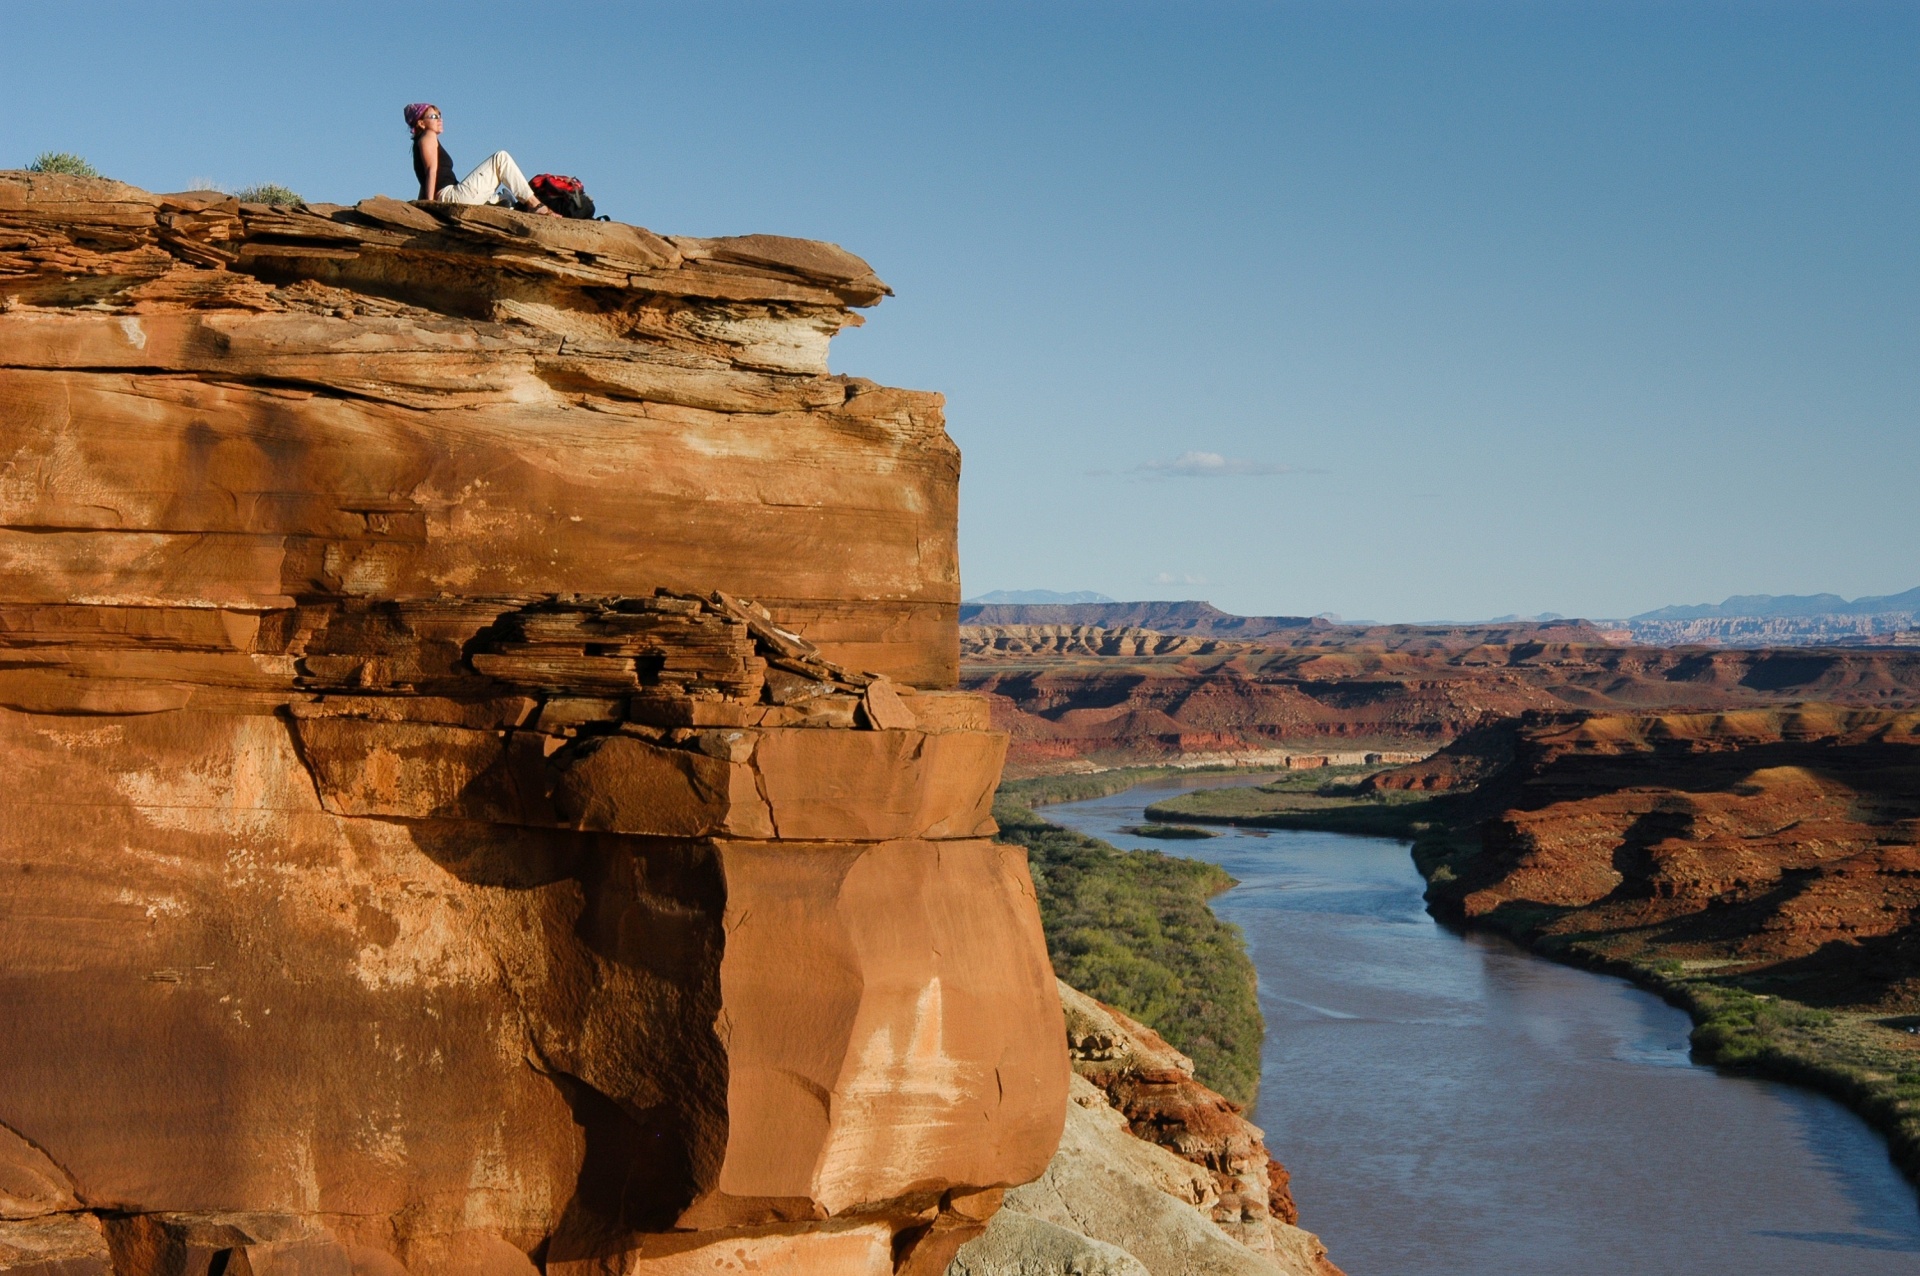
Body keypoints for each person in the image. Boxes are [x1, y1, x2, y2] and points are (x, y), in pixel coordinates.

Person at [404, 103, 554, 214]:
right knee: (501, 158)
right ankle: (535, 204)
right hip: (452, 197)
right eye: (434, 116)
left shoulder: (419, 143)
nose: (439, 119)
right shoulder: (428, 136)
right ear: (421, 123)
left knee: (500, 198)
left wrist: (421, 204)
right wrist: (430, 205)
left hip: (450, 196)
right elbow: (431, 171)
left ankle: (502, 202)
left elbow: (425, 180)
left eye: (440, 115)